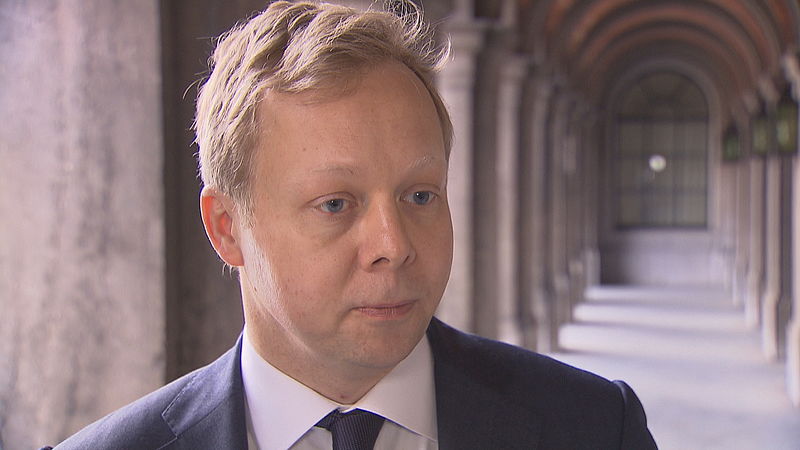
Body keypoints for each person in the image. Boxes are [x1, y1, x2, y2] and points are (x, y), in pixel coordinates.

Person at [46, 1, 657, 448]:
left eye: (420, 195)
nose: (394, 246)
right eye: (336, 204)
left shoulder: (598, 428)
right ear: (227, 227)